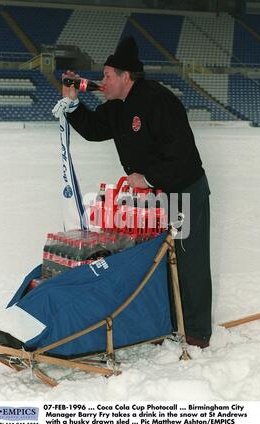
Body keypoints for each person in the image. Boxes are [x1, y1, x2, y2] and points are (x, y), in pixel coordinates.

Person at [53, 36, 212, 348]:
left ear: (126, 76)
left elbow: (182, 154)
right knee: (156, 259)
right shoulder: (116, 107)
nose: (102, 81)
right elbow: (95, 129)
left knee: (188, 260)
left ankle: (195, 331)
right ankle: (163, 321)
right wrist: (72, 104)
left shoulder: (157, 100)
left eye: (108, 75)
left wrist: (148, 176)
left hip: (184, 190)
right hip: (153, 197)